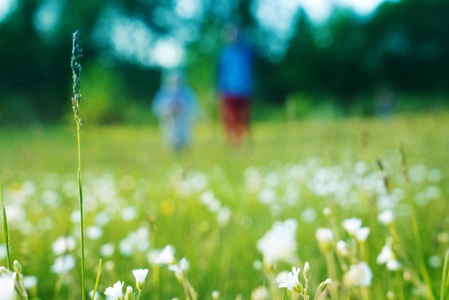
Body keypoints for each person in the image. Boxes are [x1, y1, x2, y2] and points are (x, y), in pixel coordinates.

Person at [217, 24, 255, 145]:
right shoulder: (224, 54)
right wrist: (219, 89)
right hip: (228, 90)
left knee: (244, 117)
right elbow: (219, 72)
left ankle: (244, 138)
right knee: (230, 117)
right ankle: (232, 140)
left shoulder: (246, 51)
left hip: (244, 89)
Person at [152, 70, 199, 153]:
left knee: (184, 137)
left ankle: (184, 152)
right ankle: (173, 152)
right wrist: (168, 110)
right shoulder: (164, 92)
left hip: (182, 119)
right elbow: (158, 106)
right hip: (170, 120)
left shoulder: (186, 91)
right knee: (171, 137)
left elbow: (192, 105)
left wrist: (183, 109)